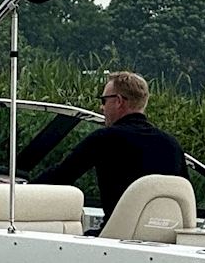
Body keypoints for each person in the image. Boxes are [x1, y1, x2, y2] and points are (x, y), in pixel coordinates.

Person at [32, 71, 188, 227]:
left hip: (115, 235)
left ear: (118, 101)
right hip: (164, 235)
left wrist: (24, 189)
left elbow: (62, 175)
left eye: (104, 100)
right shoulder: (172, 145)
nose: (101, 107)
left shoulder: (105, 139)